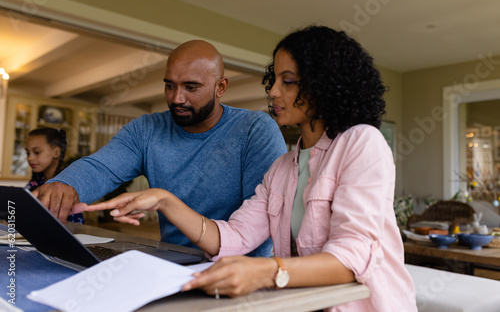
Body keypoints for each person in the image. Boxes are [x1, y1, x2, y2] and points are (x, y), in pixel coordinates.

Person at [84, 26, 417, 311]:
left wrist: (262, 272)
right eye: (276, 80)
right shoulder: (282, 168)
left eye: (288, 82)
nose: (273, 91)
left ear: (322, 86)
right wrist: (163, 200)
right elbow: (233, 238)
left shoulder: (361, 143)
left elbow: (351, 258)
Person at [33, 40, 287, 256]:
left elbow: (260, 221)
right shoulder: (146, 130)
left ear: (220, 87)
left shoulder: (255, 129)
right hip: (173, 263)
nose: (177, 98)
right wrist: (66, 184)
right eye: (169, 85)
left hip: (240, 272)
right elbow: (101, 168)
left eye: (191, 87)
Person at [25, 128, 83, 224]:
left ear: (56, 152)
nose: (30, 158)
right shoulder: (36, 180)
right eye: (27, 153)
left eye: (37, 152)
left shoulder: (67, 183)